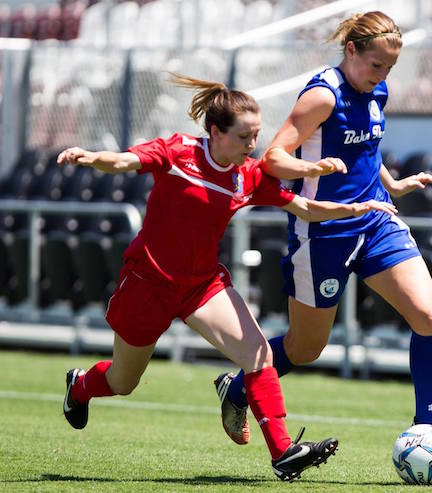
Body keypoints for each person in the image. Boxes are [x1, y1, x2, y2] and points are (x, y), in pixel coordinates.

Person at [57, 74, 397, 482]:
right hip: (148, 282)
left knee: (258, 355)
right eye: (243, 137)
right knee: (122, 381)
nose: (252, 145)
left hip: (202, 286)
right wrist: (91, 157)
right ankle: (79, 387)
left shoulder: (249, 175)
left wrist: (356, 210)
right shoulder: (178, 151)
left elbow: (305, 207)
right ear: (215, 133)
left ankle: (283, 452)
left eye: (256, 136)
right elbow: (127, 161)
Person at [216, 11, 432, 468]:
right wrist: (311, 169)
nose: (382, 76)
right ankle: (237, 386)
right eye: (376, 65)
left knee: (429, 316)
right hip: (322, 232)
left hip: (375, 220)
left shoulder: (376, 89)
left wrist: (392, 185)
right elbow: (274, 158)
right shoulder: (321, 96)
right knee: (305, 349)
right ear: (350, 50)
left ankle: (430, 428)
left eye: (390, 69)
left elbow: (364, 150)